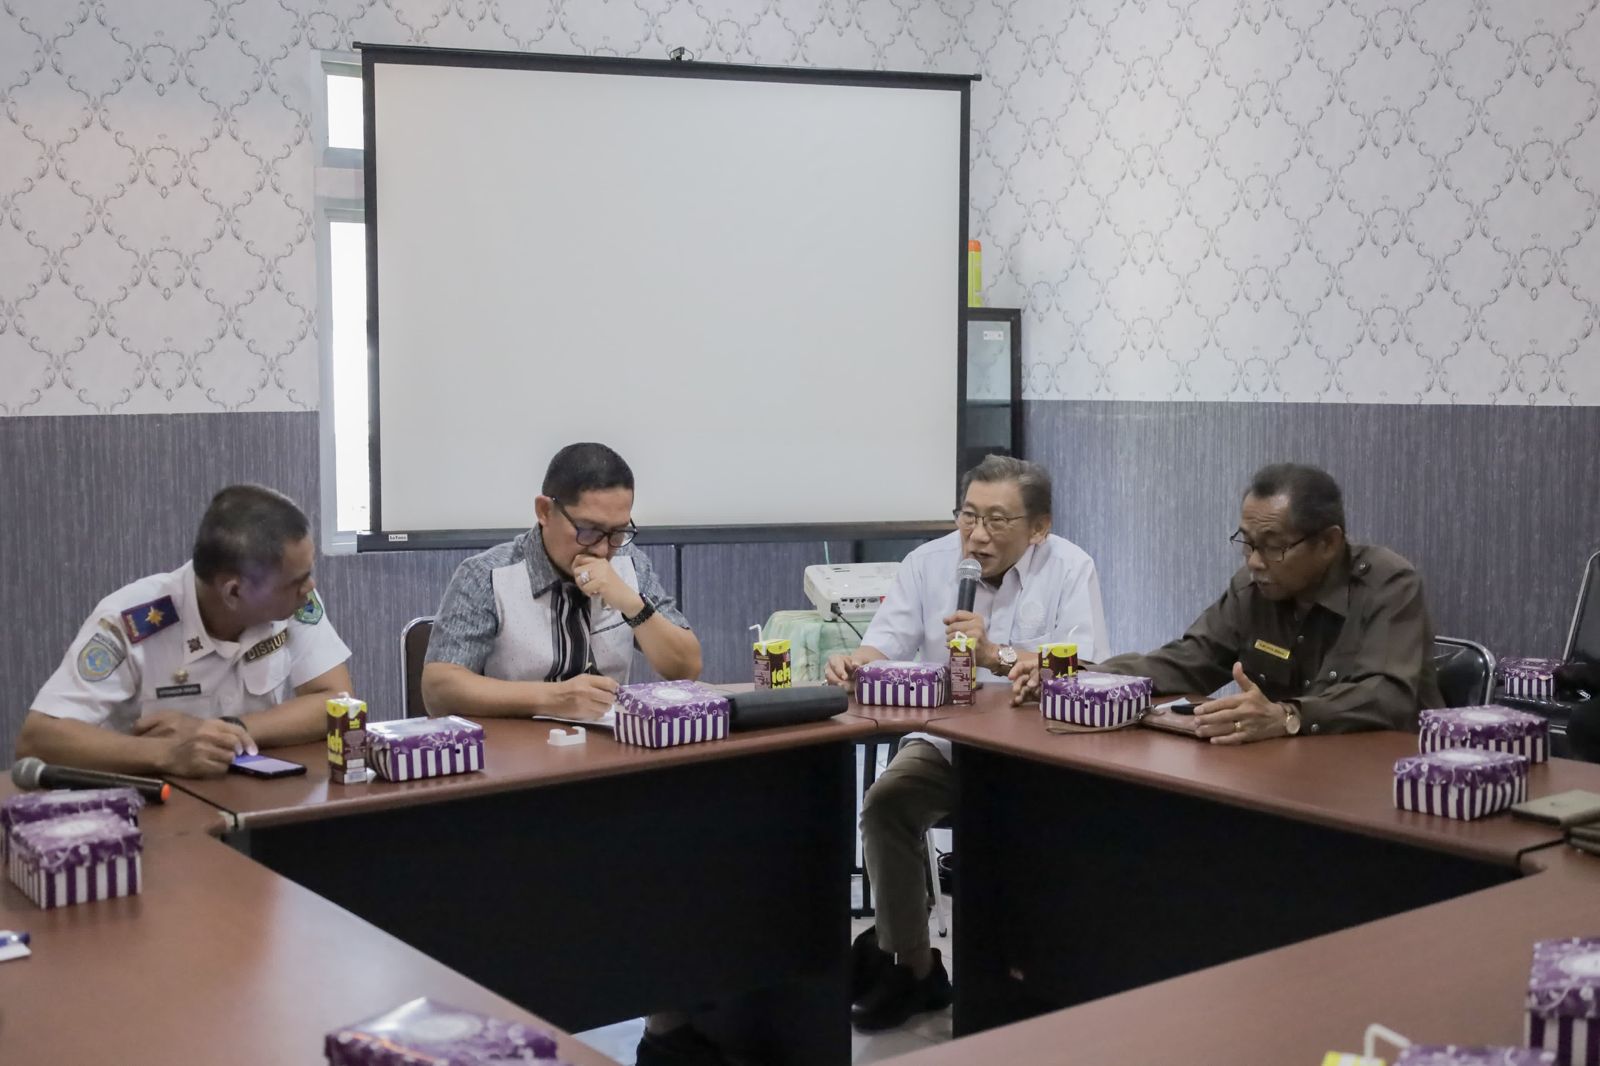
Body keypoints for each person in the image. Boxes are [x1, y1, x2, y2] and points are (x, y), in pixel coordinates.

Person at [420, 442, 711, 1066]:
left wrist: (630, 600)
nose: (603, 547)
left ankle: (669, 1027)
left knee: (690, 853)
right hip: (514, 782)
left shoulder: (628, 567)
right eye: (590, 531)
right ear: (545, 510)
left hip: (615, 770)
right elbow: (440, 686)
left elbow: (684, 664)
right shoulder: (488, 575)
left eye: (619, 531)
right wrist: (549, 696)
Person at [825, 454, 1107, 1032]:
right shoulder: (927, 563)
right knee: (886, 804)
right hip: (950, 745)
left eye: (997, 520)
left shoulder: (1071, 568)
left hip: (1041, 753)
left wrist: (994, 655)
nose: (977, 536)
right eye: (968, 515)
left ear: (1039, 527)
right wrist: (855, 663)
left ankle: (1034, 981)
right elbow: (886, 643)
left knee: (1039, 838)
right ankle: (914, 967)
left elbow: (1086, 669)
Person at [1087, 462, 1443, 742]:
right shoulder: (1252, 588)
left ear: (1328, 544)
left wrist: (1290, 716)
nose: (1255, 562)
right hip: (1284, 772)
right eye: (1248, 543)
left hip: (1383, 776)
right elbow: (1190, 658)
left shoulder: (1388, 584)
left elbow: (1386, 696)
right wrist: (1085, 677)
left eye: (1274, 546)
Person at [16, 485, 353, 778]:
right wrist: (169, 753)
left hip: (249, 793)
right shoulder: (132, 619)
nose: (310, 586)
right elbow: (37, 739)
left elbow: (338, 703)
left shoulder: (293, 601)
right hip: (149, 800)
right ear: (234, 591)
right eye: (296, 581)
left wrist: (228, 731)